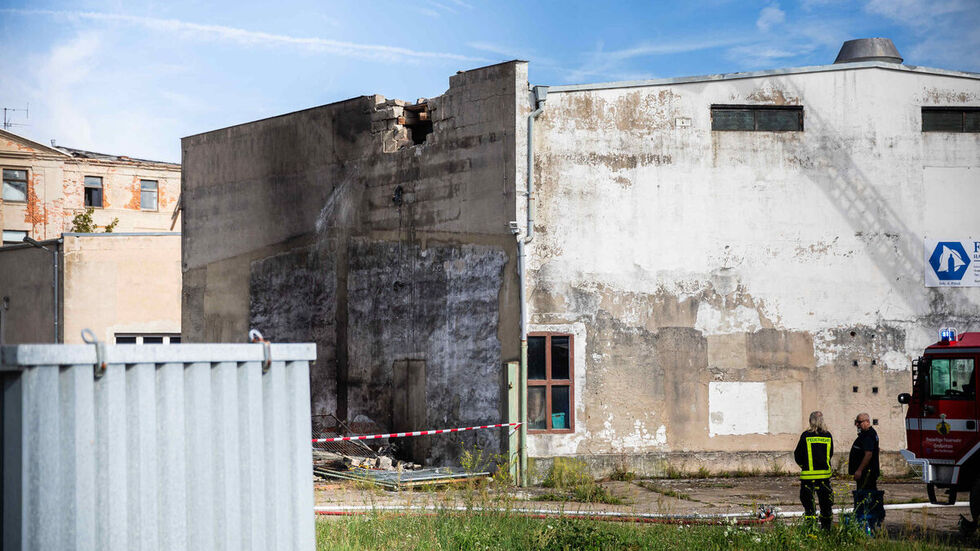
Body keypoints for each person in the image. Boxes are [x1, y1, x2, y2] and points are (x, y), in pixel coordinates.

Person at [794, 411, 834, 530]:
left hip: (808, 478)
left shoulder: (806, 435)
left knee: (809, 506)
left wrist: (803, 466)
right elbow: (830, 454)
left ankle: (811, 529)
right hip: (824, 477)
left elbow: (797, 454)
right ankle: (827, 529)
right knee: (826, 505)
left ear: (811, 421)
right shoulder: (828, 436)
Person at [849, 412, 883, 531]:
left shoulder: (868, 435)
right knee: (866, 497)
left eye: (859, 422)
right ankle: (868, 523)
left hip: (866, 474)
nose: (857, 425)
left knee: (865, 497)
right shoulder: (867, 434)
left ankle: (867, 523)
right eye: (856, 422)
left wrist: (859, 470)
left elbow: (868, 454)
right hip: (867, 472)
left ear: (867, 422)